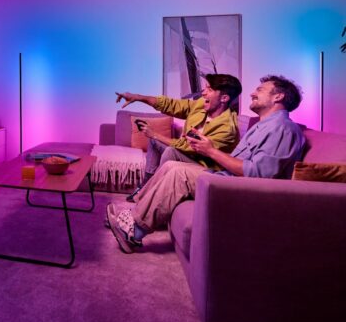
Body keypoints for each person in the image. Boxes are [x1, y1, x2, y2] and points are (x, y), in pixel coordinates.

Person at [107, 75, 306, 254]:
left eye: (260, 90)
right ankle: (135, 213)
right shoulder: (264, 126)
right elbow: (171, 105)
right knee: (171, 166)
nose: (252, 93)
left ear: (278, 96)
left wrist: (210, 150)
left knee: (179, 174)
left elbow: (257, 174)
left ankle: (134, 231)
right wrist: (139, 97)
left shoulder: (282, 129)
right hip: (228, 179)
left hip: (241, 188)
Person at [116, 74, 243, 202]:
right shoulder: (201, 104)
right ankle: (145, 186)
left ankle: (150, 195)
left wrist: (155, 134)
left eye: (209, 89)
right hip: (190, 156)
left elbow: (190, 147)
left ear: (224, 98)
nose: (203, 93)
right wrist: (138, 97)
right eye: (205, 88)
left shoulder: (227, 128)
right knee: (155, 142)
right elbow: (173, 105)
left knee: (171, 151)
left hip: (204, 166)